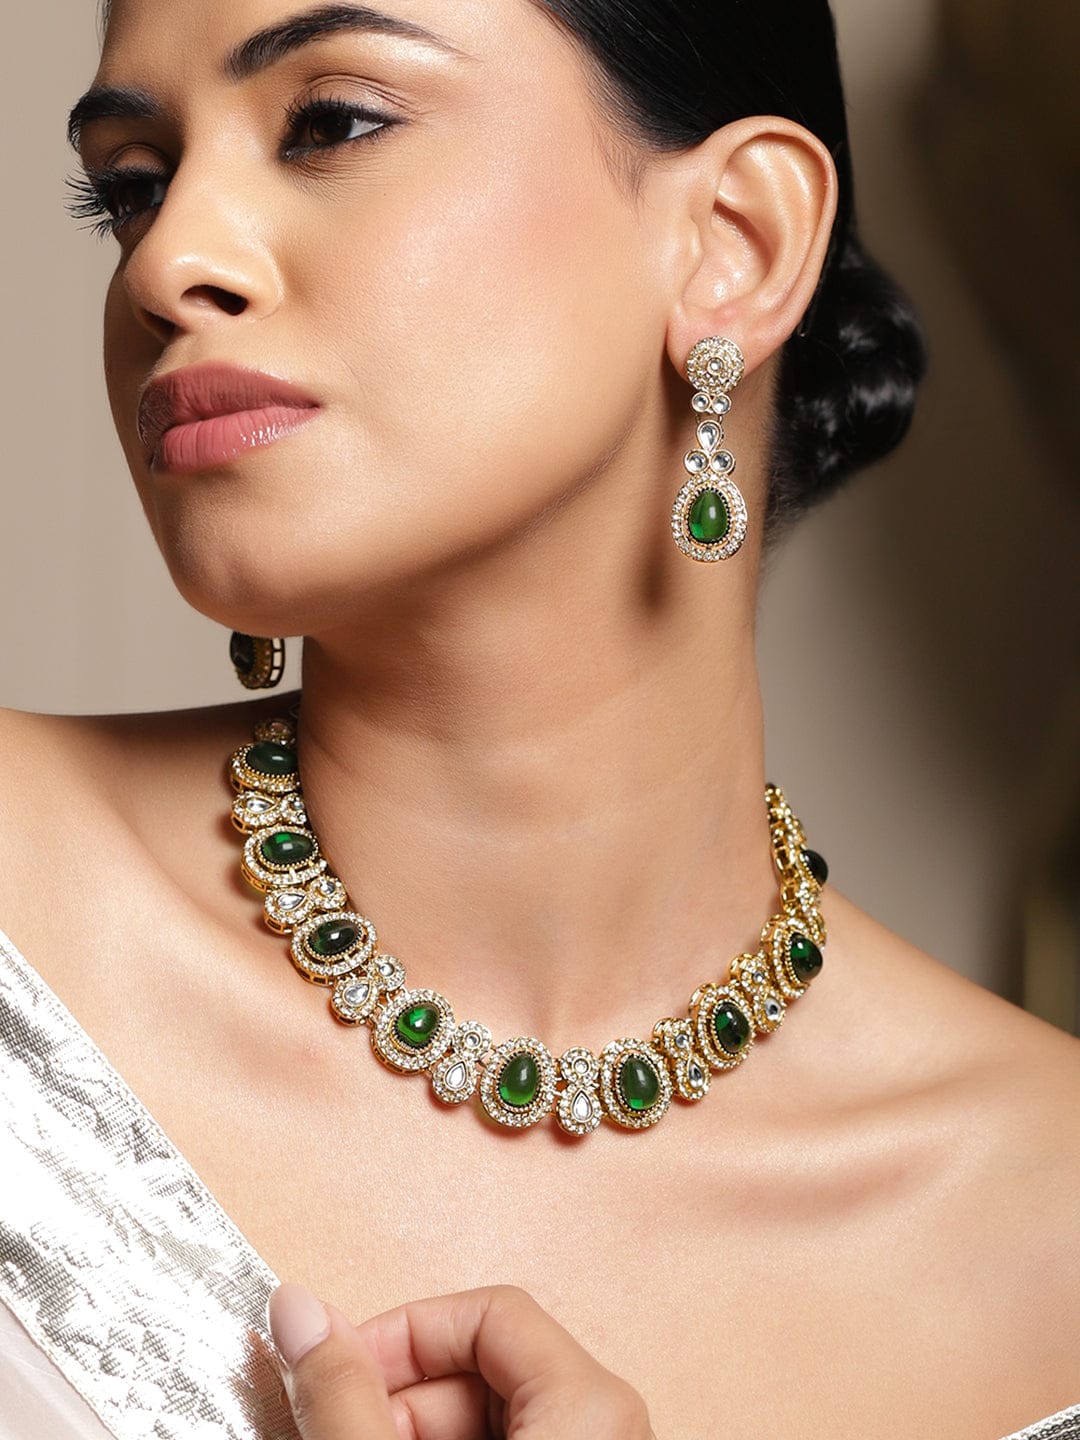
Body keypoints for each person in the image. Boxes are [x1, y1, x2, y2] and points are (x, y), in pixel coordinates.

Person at [1, 0, 1078, 1436]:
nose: (165, 262)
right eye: (131, 187)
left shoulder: (1050, 1229)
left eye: (330, 124)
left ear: (736, 242)